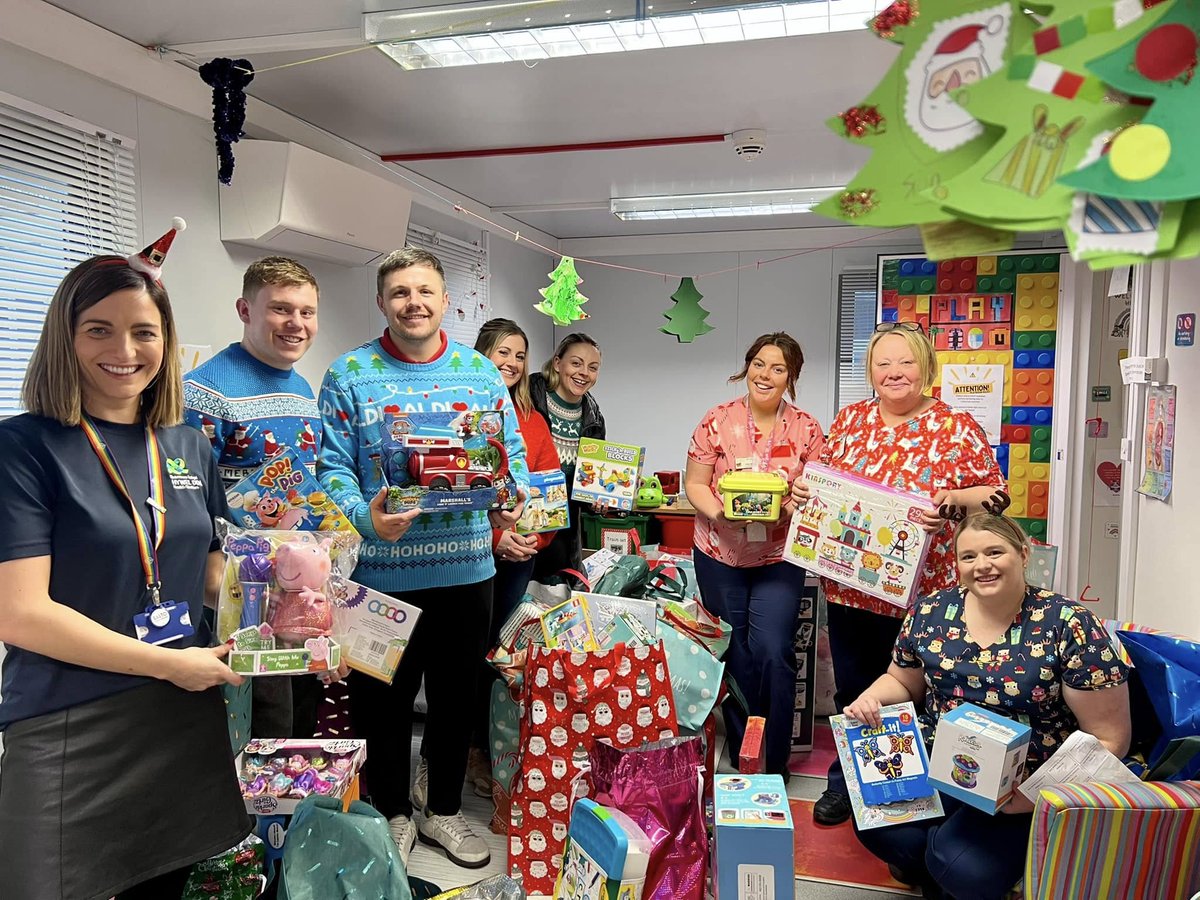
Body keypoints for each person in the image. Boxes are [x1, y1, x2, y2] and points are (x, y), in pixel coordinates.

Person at [0, 247, 250, 900]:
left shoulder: (186, 443)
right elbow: (21, 614)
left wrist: (291, 622)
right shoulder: (23, 448)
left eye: (145, 331)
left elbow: (207, 571)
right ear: (66, 337)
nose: (125, 349)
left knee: (162, 887)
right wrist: (169, 662)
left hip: (178, 716)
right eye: (99, 330)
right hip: (68, 721)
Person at [317, 247, 528, 869]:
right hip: (379, 576)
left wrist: (508, 501)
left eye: (426, 291)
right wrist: (367, 519)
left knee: (456, 699)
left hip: (467, 571)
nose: (414, 303)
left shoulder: (481, 375)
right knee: (381, 703)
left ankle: (440, 811)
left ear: (446, 301)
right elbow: (330, 469)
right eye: (401, 292)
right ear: (382, 302)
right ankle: (392, 814)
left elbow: (508, 455)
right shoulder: (349, 373)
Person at [847, 513, 1131, 899]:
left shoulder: (1069, 624)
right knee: (876, 822)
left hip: (1025, 783)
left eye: (995, 552)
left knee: (962, 867)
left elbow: (1109, 739)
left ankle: (950, 866)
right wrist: (871, 698)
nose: (982, 565)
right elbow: (902, 680)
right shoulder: (930, 611)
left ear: (1024, 553)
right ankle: (932, 866)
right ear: (957, 565)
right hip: (940, 763)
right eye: (968, 557)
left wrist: (1036, 796)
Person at [801, 322, 1006, 825]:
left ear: (925, 368)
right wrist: (805, 493)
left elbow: (997, 496)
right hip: (852, 587)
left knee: (919, 694)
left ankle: (909, 798)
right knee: (855, 693)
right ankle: (848, 785)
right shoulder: (850, 421)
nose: (894, 373)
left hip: (925, 596)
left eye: (905, 362)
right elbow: (821, 480)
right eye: (882, 363)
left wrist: (955, 500)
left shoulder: (954, 427)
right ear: (870, 371)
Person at [183, 256, 323, 738]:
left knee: (290, 723)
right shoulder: (204, 392)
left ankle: (285, 814)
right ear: (245, 309)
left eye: (307, 312)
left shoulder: (303, 388)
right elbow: (187, 501)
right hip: (235, 595)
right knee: (245, 726)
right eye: (281, 309)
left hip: (294, 586)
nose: (296, 324)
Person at [684, 332, 826, 775]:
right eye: (759, 364)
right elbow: (695, 484)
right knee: (734, 652)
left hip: (777, 557)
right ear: (747, 367)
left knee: (772, 651)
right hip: (718, 552)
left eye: (778, 368)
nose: (765, 375)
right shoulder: (717, 419)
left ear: (792, 377)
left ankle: (776, 759)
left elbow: (821, 492)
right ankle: (746, 749)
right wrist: (721, 515)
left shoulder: (806, 428)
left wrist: (806, 493)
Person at [466, 317, 560, 795]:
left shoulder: (533, 420)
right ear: (482, 354)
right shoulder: (464, 415)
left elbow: (544, 494)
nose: (512, 363)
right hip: (472, 556)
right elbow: (457, 492)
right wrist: (492, 537)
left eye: (520, 355)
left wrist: (529, 541)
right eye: (503, 352)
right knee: (472, 656)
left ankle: (500, 746)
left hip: (520, 556)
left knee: (506, 657)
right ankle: (472, 752)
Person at [528, 333, 604, 578]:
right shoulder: (528, 397)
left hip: (565, 529)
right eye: (576, 363)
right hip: (523, 516)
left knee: (556, 595)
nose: (584, 373)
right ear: (558, 363)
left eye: (593, 368)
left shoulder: (593, 417)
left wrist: (597, 500)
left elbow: (588, 481)